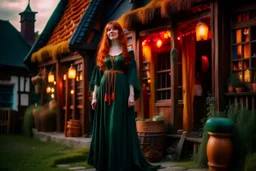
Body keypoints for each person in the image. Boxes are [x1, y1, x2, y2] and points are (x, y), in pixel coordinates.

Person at [87, 21, 160, 171]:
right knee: (106, 128)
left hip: (121, 93)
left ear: (120, 32)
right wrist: (94, 96)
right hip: (103, 93)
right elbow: (96, 77)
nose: (111, 32)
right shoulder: (103, 53)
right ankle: (106, 163)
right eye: (108, 30)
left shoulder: (128, 52)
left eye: (114, 29)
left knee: (116, 128)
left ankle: (120, 162)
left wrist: (131, 95)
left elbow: (131, 75)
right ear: (106, 34)